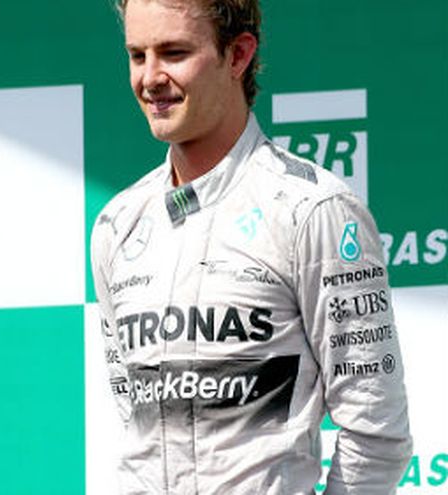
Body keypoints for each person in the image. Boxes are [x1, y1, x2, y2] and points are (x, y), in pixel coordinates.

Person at [90, 0, 412, 493]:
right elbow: (138, 420)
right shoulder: (118, 225)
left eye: (174, 53)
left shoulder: (314, 210)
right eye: (138, 55)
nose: (150, 78)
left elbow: (377, 433)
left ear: (238, 55)